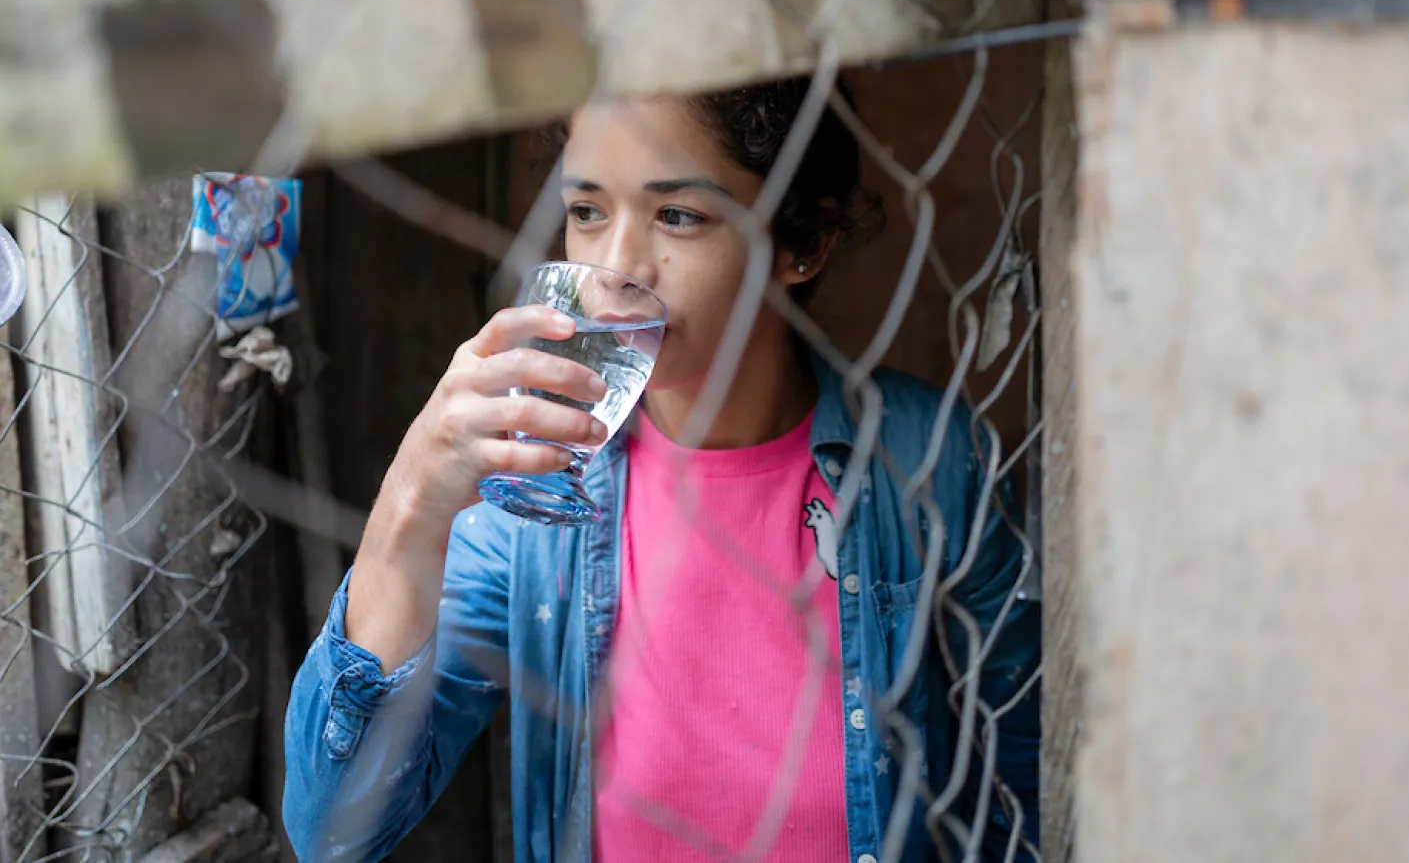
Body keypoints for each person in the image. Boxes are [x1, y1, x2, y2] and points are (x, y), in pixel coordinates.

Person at [283, 80, 1041, 863]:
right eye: (587, 211)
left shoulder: (926, 459)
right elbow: (332, 833)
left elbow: (1027, 788)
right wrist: (411, 501)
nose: (615, 269)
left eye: (677, 215)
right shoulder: (535, 491)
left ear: (804, 242)